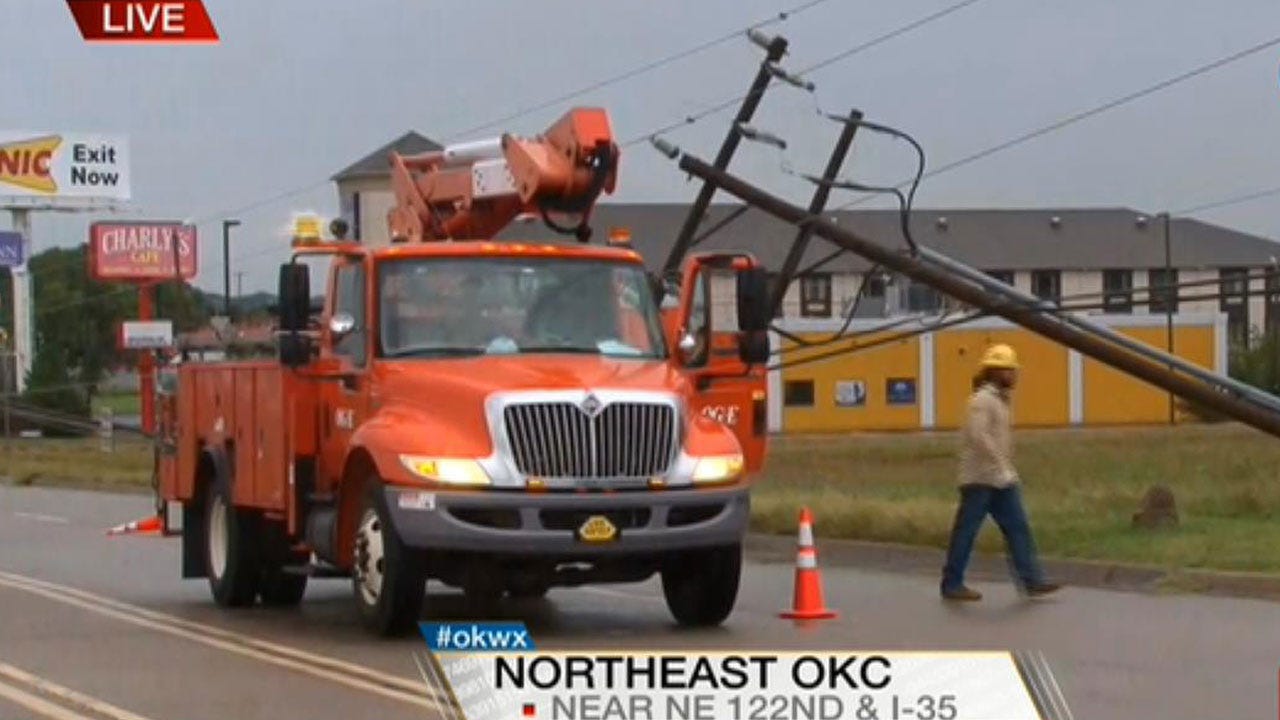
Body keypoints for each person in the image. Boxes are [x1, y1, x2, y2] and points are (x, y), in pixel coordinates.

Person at [940, 343, 1061, 601]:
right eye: (1010, 370)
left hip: (1000, 478)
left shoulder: (999, 400)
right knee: (967, 532)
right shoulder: (983, 400)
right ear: (996, 372)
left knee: (1018, 528)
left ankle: (1032, 580)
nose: (1014, 375)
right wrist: (1000, 463)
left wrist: (1005, 469)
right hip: (980, 479)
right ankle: (952, 584)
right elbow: (978, 435)